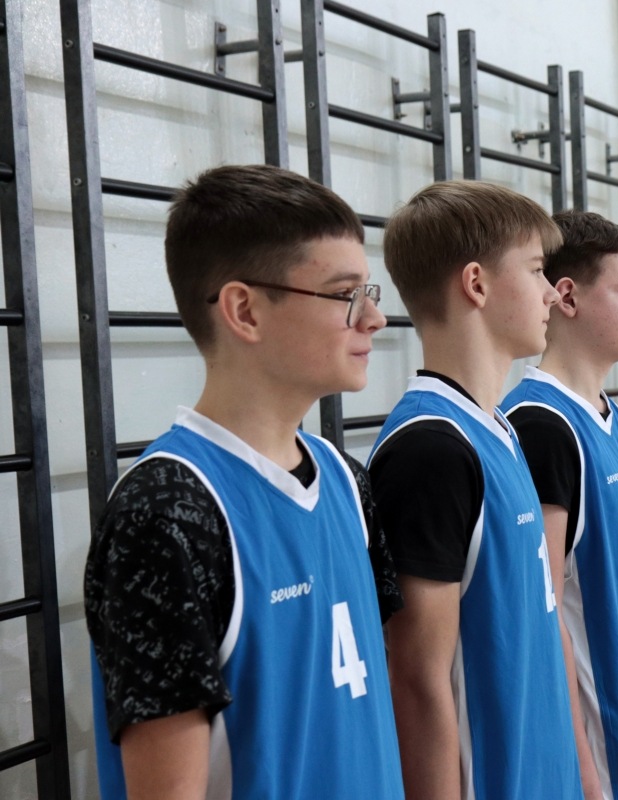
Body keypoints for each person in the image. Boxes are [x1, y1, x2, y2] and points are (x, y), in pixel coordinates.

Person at [84, 164, 405, 799]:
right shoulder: (166, 513)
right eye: (346, 294)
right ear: (245, 310)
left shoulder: (347, 480)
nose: (374, 319)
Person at [369, 181, 582, 799]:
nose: (552, 292)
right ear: (477, 284)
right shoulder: (430, 450)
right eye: (537, 271)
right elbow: (417, 681)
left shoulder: (498, 429)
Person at [501, 210, 618, 799]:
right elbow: (545, 610)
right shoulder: (541, 425)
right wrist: (579, 763)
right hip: (604, 747)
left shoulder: (617, 419)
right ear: (567, 297)